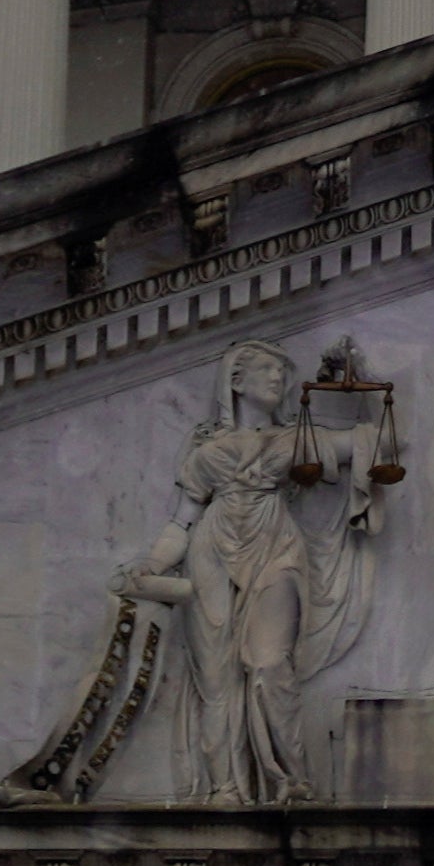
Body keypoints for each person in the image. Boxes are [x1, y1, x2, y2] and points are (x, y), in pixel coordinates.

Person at [112, 337, 387, 802]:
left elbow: (382, 442)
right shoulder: (206, 451)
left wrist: (364, 385)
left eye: (282, 371)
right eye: (266, 369)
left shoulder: (295, 439)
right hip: (211, 551)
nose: (278, 377)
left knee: (268, 664)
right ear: (236, 382)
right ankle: (224, 787)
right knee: (215, 679)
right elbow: (182, 520)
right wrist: (151, 564)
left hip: (275, 546)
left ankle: (291, 779)